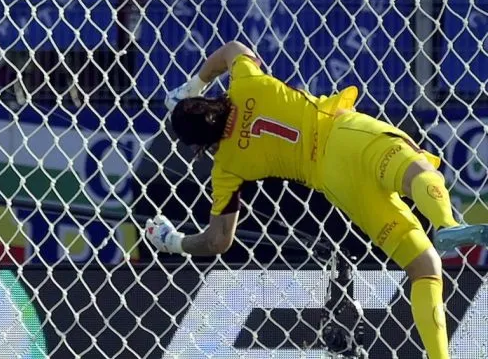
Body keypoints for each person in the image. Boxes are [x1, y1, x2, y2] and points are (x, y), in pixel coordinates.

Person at [148, 40, 488, 359]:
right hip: (344, 134)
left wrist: (174, 241)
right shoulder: (247, 84)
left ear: (199, 147)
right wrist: (195, 83)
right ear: (210, 104)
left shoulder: (226, 168)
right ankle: (447, 224)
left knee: (423, 265)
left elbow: (218, 240)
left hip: (334, 182)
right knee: (414, 171)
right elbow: (233, 49)